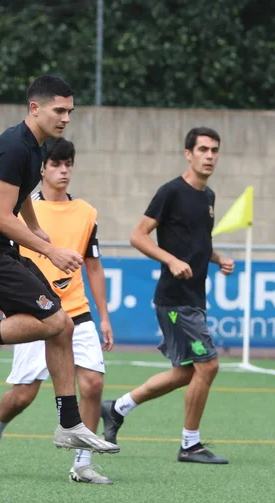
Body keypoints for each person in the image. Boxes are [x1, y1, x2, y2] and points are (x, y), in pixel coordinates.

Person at [0, 75, 118, 457]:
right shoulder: (14, 148)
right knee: (53, 323)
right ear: (34, 108)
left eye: (70, 111)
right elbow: (2, 217)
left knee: (62, 325)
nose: (66, 118)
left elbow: (19, 199)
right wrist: (50, 251)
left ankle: (69, 423)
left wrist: (34, 227)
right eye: (59, 110)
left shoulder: (34, 146)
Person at [0, 138, 115, 484]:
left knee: (93, 384)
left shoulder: (87, 213)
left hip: (77, 311)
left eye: (68, 164)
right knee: (23, 395)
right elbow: (7, 266)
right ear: (42, 169)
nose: (63, 171)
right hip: (34, 312)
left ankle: (82, 463)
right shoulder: (20, 212)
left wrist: (104, 317)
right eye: (56, 164)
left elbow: (94, 267)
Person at [100, 127, 235, 464]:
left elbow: (198, 243)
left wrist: (218, 258)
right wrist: (171, 260)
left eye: (214, 150)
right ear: (188, 154)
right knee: (209, 365)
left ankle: (117, 408)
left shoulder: (208, 197)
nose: (209, 156)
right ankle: (190, 445)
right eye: (203, 149)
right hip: (175, 300)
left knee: (187, 372)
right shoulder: (171, 191)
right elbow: (138, 236)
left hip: (194, 298)